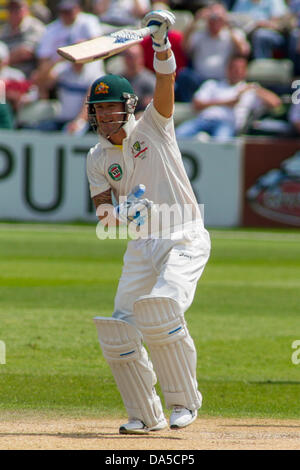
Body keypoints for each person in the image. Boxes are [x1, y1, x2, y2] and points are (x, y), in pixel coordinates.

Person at [86, 10, 211, 434]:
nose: (104, 118)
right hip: (141, 245)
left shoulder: (154, 127)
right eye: (97, 110)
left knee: (161, 310)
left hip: (184, 237)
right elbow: (103, 212)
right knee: (119, 329)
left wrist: (161, 46)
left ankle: (184, 403)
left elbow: (165, 85)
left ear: (127, 107)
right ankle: (145, 413)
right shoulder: (97, 157)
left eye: (109, 109)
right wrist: (121, 213)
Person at [175, 55, 282, 140]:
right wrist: (226, 102)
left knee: (221, 143)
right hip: (203, 120)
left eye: (240, 69)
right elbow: (196, 104)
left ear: (245, 71)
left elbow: (276, 103)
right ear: (227, 69)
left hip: (227, 125)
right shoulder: (212, 84)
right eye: (233, 68)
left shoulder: (250, 91)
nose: (236, 71)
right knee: (178, 136)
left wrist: (256, 88)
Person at [175, 2, 250, 102]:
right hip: (199, 79)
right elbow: (184, 48)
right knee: (185, 75)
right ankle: (192, 108)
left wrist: (227, 24)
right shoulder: (199, 34)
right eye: (212, 17)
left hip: (223, 82)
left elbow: (244, 51)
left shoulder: (233, 34)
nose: (215, 21)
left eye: (218, 18)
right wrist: (195, 21)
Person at [0, 0, 45, 78]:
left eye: (18, 8)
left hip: (27, 74)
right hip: (5, 72)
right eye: (11, 9)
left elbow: (25, 53)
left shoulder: (34, 26)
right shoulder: (5, 29)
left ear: (27, 10)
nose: (14, 12)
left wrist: (3, 61)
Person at [121, 44, 156, 114]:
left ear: (141, 58)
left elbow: (156, 105)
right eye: (129, 57)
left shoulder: (149, 80)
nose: (132, 61)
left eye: (135, 57)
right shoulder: (119, 80)